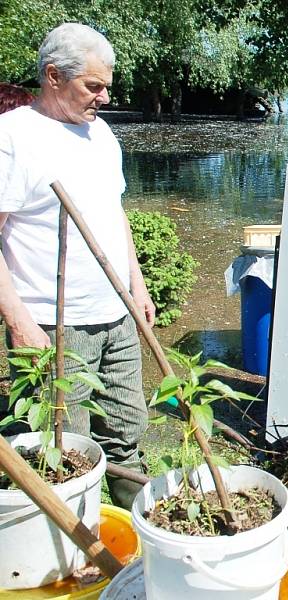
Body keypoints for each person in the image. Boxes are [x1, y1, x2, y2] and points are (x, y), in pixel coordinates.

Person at [0, 23, 155, 507]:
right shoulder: (14, 137)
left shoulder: (101, 134)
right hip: (54, 323)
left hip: (115, 315)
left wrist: (137, 283)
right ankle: (67, 558)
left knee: (128, 434)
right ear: (52, 76)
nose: (105, 97)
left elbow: (114, 213)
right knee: (61, 451)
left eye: (107, 85)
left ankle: (134, 541)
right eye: (93, 86)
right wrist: (19, 322)